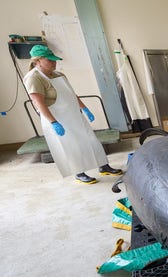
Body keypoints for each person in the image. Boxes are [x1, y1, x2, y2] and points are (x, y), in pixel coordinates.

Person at [24, 45, 123, 184]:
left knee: (90, 140)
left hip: (73, 114)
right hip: (57, 118)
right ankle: (79, 173)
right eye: (50, 60)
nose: (54, 63)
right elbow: (39, 103)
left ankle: (104, 166)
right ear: (38, 61)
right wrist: (54, 122)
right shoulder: (33, 78)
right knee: (70, 145)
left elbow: (71, 94)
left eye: (55, 60)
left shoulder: (59, 75)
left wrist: (84, 108)